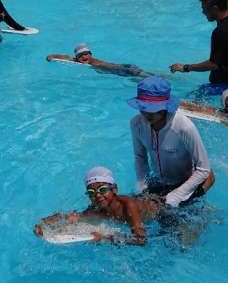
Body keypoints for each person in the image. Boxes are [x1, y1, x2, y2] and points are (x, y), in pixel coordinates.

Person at [128, 76, 214, 208]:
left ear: (165, 107)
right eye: (143, 108)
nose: (147, 113)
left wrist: (177, 195)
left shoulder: (184, 127)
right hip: (158, 182)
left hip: (186, 183)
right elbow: (140, 157)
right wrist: (142, 185)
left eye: (153, 109)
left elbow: (204, 169)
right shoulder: (136, 123)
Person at [34, 167, 163, 246]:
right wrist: (43, 224)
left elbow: (141, 240)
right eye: (91, 192)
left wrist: (105, 239)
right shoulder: (96, 208)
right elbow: (72, 217)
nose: (97, 195)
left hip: (162, 211)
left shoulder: (128, 206)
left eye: (102, 189)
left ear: (114, 189)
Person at [170, 0, 228, 94]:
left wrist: (186, 67)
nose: (203, 12)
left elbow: (213, 64)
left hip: (223, 86)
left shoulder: (221, 32)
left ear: (215, 8)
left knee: (195, 96)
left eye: (205, 8)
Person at [46, 43, 149, 77]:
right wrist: (50, 57)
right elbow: (62, 57)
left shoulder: (96, 63)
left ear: (90, 55)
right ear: (76, 58)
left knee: (140, 76)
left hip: (122, 69)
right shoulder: (76, 60)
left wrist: (126, 69)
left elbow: (111, 67)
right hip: (121, 69)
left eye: (86, 54)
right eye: (80, 55)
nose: (84, 57)